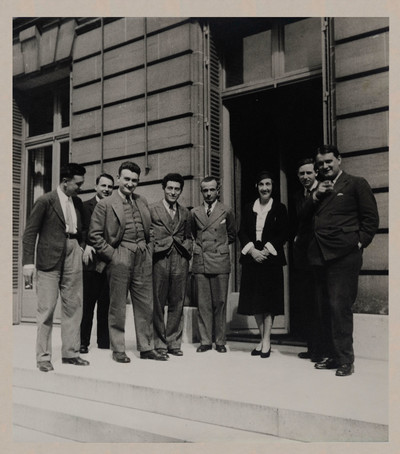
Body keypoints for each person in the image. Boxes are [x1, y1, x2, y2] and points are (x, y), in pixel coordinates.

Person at [308, 145, 379, 376]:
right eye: (320, 164)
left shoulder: (356, 183)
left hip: (344, 256)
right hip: (320, 255)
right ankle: (331, 355)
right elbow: (303, 215)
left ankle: (345, 359)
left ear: (339, 160)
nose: (325, 166)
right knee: (323, 308)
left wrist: (358, 243)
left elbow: (370, 220)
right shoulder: (315, 188)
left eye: (329, 161)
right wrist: (316, 195)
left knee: (340, 308)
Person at [88, 161, 167, 363]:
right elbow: (95, 235)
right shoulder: (105, 204)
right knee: (117, 305)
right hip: (120, 255)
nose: (130, 184)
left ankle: (146, 347)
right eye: (127, 179)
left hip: (142, 256)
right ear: (118, 179)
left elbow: (149, 228)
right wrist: (113, 255)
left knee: (145, 304)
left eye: (134, 180)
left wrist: (149, 249)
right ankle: (118, 348)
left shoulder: (141, 201)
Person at [22, 163, 90, 372]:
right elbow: (30, 233)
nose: (80, 187)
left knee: (73, 306)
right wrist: (28, 263)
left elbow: (83, 229)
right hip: (49, 258)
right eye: (77, 184)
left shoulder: (77, 202)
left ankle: (71, 353)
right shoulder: (45, 201)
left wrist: (82, 247)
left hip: (72, 253)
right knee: (47, 309)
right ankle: (43, 357)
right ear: (65, 182)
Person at [237, 171, 288, 358]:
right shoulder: (249, 207)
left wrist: (266, 250)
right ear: (256, 187)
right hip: (252, 258)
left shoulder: (280, 208)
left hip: (270, 259)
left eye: (268, 184)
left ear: (272, 187)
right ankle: (262, 338)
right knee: (255, 302)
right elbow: (241, 231)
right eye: (261, 185)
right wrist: (252, 251)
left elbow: (283, 233)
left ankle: (267, 339)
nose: (265, 188)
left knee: (269, 302)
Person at [191, 176, 236, 353]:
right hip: (201, 260)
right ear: (201, 192)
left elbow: (232, 234)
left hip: (220, 259)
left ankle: (220, 341)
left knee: (220, 301)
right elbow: (192, 233)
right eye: (205, 190)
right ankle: (205, 341)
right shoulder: (194, 212)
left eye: (212, 190)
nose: (208, 193)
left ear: (218, 190)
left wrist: (220, 247)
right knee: (203, 303)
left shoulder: (227, 211)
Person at [150, 173, 192, 358]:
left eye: (177, 189)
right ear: (163, 188)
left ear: (180, 191)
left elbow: (189, 236)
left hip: (179, 259)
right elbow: (147, 234)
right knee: (157, 302)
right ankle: (159, 343)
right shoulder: (153, 209)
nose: (173, 192)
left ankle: (174, 342)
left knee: (177, 301)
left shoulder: (185, 212)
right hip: (159, 259)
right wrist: (155, 248)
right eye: (170, 188)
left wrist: (187, 252)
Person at [79, 173, 115, 354]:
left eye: (110, 186)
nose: (107, 189)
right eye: (103, 186)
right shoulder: (85, 206)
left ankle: (104, 342)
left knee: (106, 304)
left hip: (109, 262)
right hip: (91, 262)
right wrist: (85, 245)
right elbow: (81, 230)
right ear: (96, 187)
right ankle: (83, 342)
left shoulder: (115, 206)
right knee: (87, 305)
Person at [292, 158, 323, 362]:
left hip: (320, 254)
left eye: (309, 173)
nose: (305, 177)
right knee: (307, 303)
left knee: (320, 303)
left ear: (316, 174)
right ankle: (312, 348)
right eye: (302, 174)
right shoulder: (298, 195)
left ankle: (322, 350)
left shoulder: (321, 192)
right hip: (303, 256)